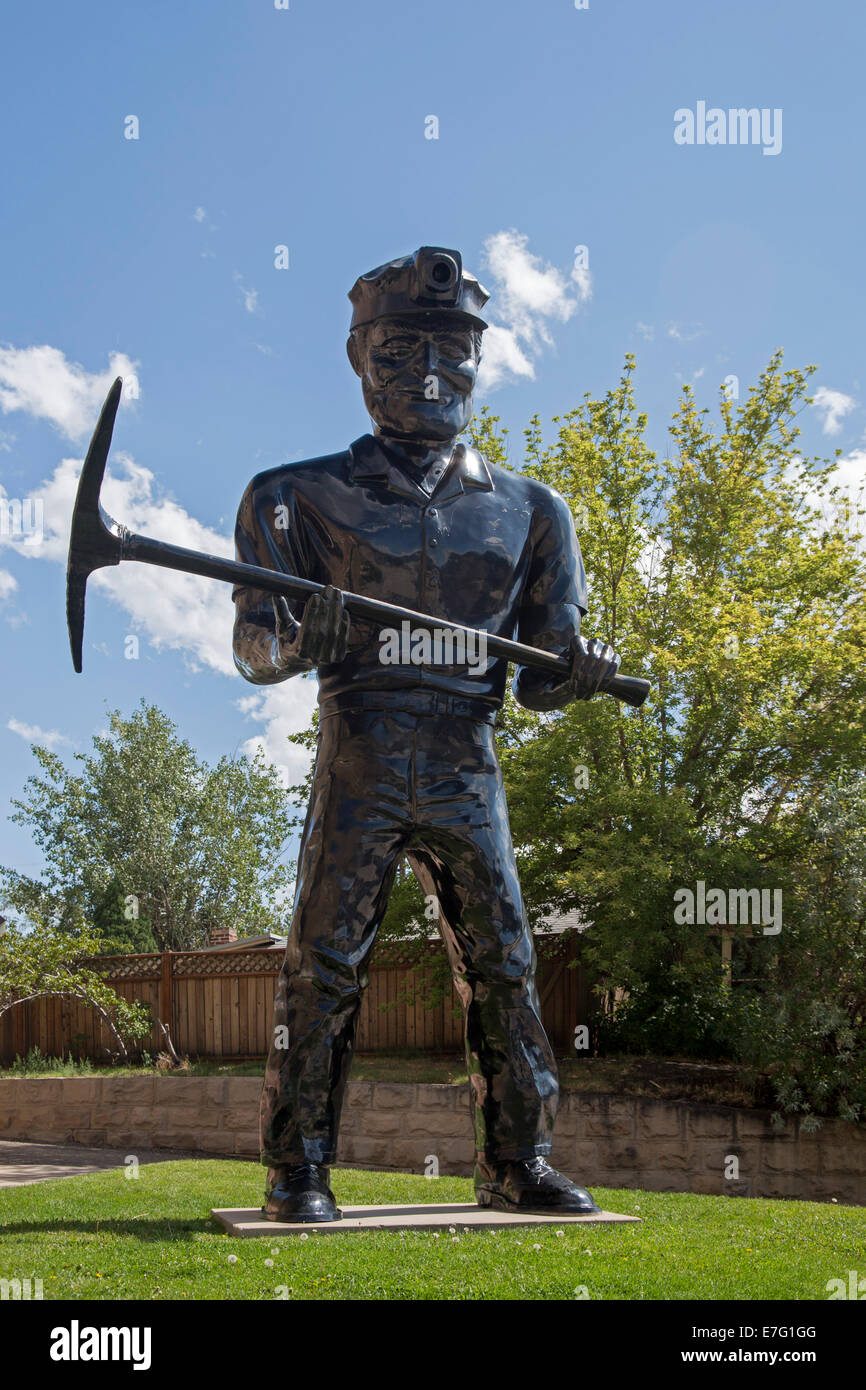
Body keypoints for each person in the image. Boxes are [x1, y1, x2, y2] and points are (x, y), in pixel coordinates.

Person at [233, 247, 620, 1221]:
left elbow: (540, 674)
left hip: (464, 758)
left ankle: (517, 1161)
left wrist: (569, 672)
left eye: (451, 350)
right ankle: (296, 1168)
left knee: (504, 962)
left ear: (481, 360)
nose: (429, 373)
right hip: (359, 748)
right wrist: (292, 645)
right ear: (357, 357)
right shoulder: (293, 496)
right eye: (399, 351)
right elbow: (252, 642)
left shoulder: (533, 513)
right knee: (321, 963)